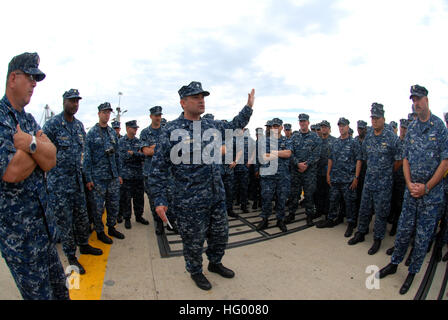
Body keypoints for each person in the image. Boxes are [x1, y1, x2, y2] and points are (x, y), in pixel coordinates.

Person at [149, 81, 255, 290]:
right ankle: (196, 271)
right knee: (193, 241)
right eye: (196, 97)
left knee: (220, 235)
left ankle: (215, 263)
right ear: (183, 102)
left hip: (216, 196)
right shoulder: (171, 130)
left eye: (203, 97)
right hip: (190, 201)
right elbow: (158, 169)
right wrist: (160, 200)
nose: (201, 101)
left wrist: (248, 107)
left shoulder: (211, 126)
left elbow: (234, 125)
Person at [0, 52, 69, 300]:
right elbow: (12, 171)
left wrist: (28, 143)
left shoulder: (28, 120)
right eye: (30, 77)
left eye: (36, 79)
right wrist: (38, 148)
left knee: (61, 293)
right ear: (12, 79)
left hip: (44, 231)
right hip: (21, 240)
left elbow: (51, 159)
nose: (34, 84)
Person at [378, 85, 448, 295]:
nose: (416, 103)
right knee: (404, 230)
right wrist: (409, 184)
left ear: (426, 99)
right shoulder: (413, 127)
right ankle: (394, 263)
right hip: (412, 190)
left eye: (419, 99)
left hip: (431, 194)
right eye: (413, 100)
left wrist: (426, 187)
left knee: (422, 235)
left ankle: (412, 272)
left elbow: (445, 162)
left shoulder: (440, 128)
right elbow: (406, 157)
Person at [43, 89, 103, 275]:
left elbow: (83, 156)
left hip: (77, 182)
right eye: (71, 101)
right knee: (65, 222)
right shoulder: (52, 125)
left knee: (82, 218)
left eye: (77, 101)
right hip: (59, 185)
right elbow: (43, 152)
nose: (75, 104)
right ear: (64, 102)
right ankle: (71, 256)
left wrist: (86, 179)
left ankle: (84, 245)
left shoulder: (78, 126)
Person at [348, 103, 401, 255]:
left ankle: (377, 239)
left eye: (377, 118)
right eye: (372, 118)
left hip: (384, 183)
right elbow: (364, 156)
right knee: (364, 208)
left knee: (381, 212)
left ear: (383, 118)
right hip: (369, 181)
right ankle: (361, 233)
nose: (374, 121)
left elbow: (399, 159)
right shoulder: (369, 136)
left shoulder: (391, 137)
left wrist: (387, 173)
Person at [83, 102, 125, 244]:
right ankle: (100, 231)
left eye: (108, 113)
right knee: (98, 208)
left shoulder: (112, 133)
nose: (106, 115)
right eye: (104, 112)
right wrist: (88, 178)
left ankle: (111, 227)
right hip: (98, 178)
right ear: (99, 114)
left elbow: (117, 155)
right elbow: (87, 158)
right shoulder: (92, 133)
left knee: (113, 205)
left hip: (112, 176)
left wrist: (119, 174)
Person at [316, 118, 361, 238]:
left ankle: (351, 223)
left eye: (343, 126)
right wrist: (328, 174)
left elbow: (358, 160)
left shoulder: (354, 142)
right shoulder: (335, 142)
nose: (341, 128)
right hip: (335, 178)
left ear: (348, 127)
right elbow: (330, 159)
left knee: (349, 202)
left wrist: (356, 177)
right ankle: (331, 219)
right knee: (333, 200)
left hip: (348, 179)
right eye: (340, 126)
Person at [141, 106, 176, 235]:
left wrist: (154, 148)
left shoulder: (166, 131)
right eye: (156, 115)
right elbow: (146, 151)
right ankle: (159, 224)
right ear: (151, 116)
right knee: (154, 200)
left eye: (160, 115)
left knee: (170, 198)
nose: (158, 117)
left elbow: (172, 150)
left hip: (167, 172)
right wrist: (160, 148)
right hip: (151, 173)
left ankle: (171, 224)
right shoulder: (145, 132)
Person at [256, 118, 292, 232]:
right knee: (266, 198)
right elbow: (263, 157)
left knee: (281, 199)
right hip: (268, 176)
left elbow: (288, 153)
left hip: (283, 176)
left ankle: (280, 220)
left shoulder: (287, 140)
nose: (275, 128)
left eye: (277, 126)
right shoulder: (264, 141)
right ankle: (265, 219)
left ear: (281, 127)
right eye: (273, 126)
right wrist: (280, 153)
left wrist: (272, 152)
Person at [286, 113, 322, 226]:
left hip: (309, 172)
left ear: (308, 122)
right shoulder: (294, 137)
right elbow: (289, 153)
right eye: (301, 121)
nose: (302, 123)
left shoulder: (315, 137)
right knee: (294, 194)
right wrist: (298, 164)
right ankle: (291, 214)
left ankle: (309, 216)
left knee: (309, 195)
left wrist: (306, 164)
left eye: (304, 121)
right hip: (296, 171)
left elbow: (317, 154)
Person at [118, 120, 148, 229]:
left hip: (139, 174)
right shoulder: (121, 142)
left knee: (139, 197)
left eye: (136, 128)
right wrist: (136, 155)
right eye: (133, 128)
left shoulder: (139, 142)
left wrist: (133, 153)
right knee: (126, 198)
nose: (136, 130)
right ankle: (127, 218)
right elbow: (123, 157)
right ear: (127, 128)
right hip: (126, 176)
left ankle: (139, 216)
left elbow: (144, 156)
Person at [388, 119, 409, 236]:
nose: (403, 130)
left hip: (403, 179)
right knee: (392, 201)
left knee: (399, 204)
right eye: (402, 127)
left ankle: (396, 225)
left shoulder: (409, 143)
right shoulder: (395, 141)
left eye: (405, 128)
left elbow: (400, 161)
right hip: (393, 177)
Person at [314, 120, 336, 219]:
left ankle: (327, 212)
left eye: (325, 127)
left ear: (329, 129)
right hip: (318, 172)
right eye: (322, 127)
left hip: (329, 172)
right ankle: (319, 210)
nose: (323, 129)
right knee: (319, 192)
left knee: (329, 194)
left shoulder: (334, 141)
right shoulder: (317, 140)